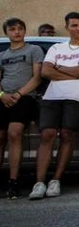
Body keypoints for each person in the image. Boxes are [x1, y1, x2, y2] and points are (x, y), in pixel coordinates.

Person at [29, 12, 79, 200]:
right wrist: (72, 73)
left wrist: (59, 69)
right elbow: (45, 71)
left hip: (77, 97)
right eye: (74, 25)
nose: (78, 29)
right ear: (67, 27)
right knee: (47, 134)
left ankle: (56, 180)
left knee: (67, 134)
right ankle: (39, 182)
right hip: (52, 96)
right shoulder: (56, 48)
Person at [0, 18, 43, 199]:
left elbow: (37, 77)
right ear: (6, 33)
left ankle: (14, 181)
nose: (17, 32)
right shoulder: (2, 55)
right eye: (12, 29)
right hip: (4, 98)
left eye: (20, 28)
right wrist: (2, 95)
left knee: (14, 132)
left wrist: (18, 94)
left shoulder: (34, 50)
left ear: (24, 31)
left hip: (25, 98)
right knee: (1, 137)